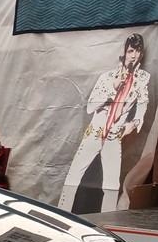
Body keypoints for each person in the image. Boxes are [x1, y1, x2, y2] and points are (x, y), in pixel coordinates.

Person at [58, 33, 150, 213]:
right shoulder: (107, 77)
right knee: (73, 176)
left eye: (138, 51)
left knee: (112, 183)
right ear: (124, 52)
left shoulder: (142, 79)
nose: (134, 55)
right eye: (131, 51)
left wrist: (131, 125)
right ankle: (62, 213)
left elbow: (142, 107)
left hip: (114, 134)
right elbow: (90, 107)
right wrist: (112, 89)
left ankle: (108, 219)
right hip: (95, 132)